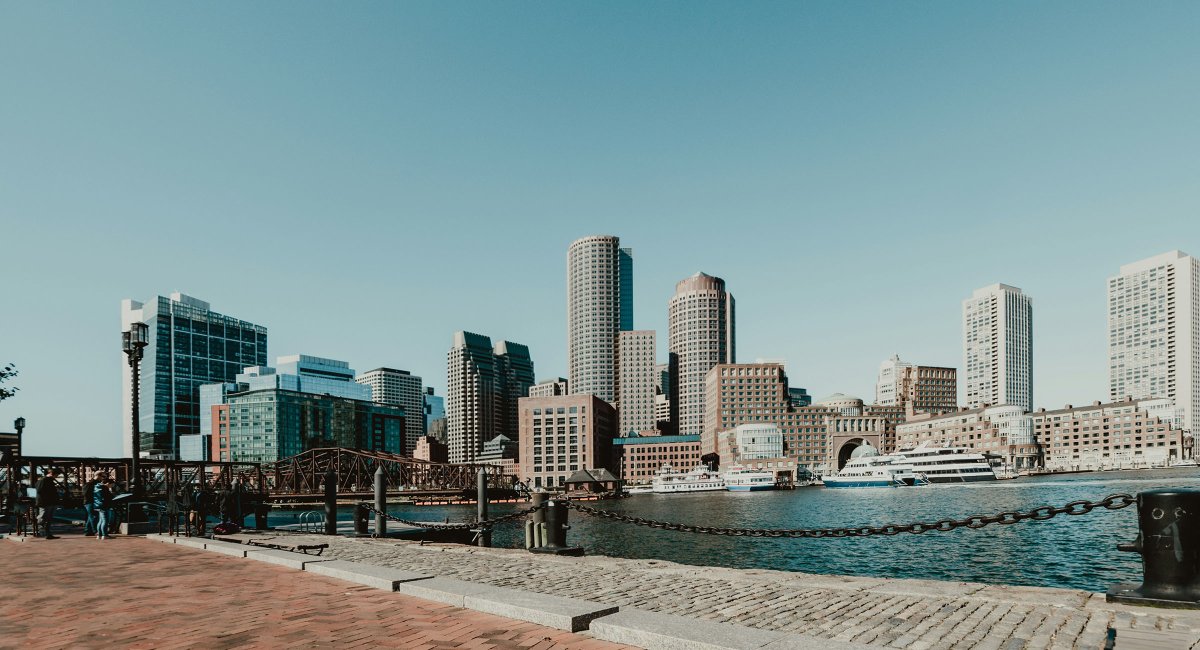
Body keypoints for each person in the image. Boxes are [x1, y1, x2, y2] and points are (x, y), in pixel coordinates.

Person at [35, 468, 61, 539]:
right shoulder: (44, 480)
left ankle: (47, 533)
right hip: (46, 503)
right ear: (52, 474)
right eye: (56, 475)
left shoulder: (44, 480)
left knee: (47, 519)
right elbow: (40, 491)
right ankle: (42, 530)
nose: (56, 477)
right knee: (44, 518)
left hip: (48, 502)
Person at [93, 476, 113, 540]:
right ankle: (105, 535)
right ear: (107, 483)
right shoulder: (104, 488)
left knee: (100, 520)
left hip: (98, 505)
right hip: (104, 505)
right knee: (105, 520)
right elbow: (108, 498)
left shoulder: (97, 487)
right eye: (111, 485)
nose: (111, 486)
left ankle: (99, 535)